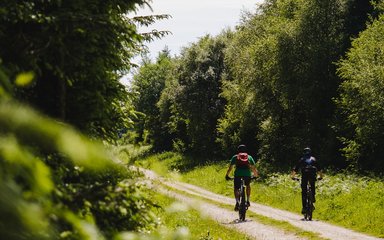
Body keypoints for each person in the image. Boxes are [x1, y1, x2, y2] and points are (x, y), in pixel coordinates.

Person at [225, 144, 259, 211]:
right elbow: (253, 168)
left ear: (238, 150)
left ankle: (237, 202)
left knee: (236, 188)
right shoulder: (249, 157)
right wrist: (256, 176)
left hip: (238, 175)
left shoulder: (235, 157)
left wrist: (227, 175)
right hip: (247, 175)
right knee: (248, 185)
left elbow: (230, 168)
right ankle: (248, 200)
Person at [291, 147, 323, 214]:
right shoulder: (314, 159)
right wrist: (320, 177)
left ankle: (304, 208)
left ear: (304, 152)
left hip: (304, 176)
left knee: (304, 191)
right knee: (312, 185)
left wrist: (293, 177)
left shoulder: (302, 159)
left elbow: (296, 169)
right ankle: (313, 197)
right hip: (312, 175)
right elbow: (319, 169)